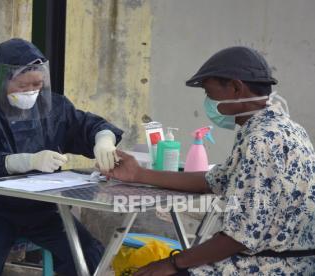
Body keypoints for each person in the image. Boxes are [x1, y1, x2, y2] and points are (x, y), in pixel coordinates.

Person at [105, 46, 315, 275]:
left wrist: (170, 263)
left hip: (268, 267)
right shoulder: (287, 129)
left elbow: (240, 237)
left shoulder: (261, 141)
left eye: (209, 92)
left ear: (236, 87)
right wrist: (138, 174)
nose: (208, 102)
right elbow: (213, 180)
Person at [0, 38, 123, 276]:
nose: (31, 92)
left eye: (37, 85)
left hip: (38, 210)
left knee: (86, 253)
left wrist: (104, 139)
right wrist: (23, 161)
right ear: (1, 80)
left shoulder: (53, 106)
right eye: (23, 86)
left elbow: (85, 125)